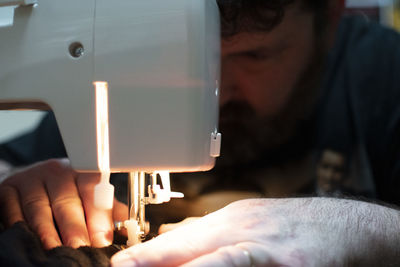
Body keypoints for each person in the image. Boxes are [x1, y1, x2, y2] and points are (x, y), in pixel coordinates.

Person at [1, 0, 400, 265]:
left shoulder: (383, 76)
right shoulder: (111, 84)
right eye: (176, 57)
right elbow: (12, 163)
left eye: (253, 56)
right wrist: (12, 182)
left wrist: (368, 230)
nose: (216, 88)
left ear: (329, 18)